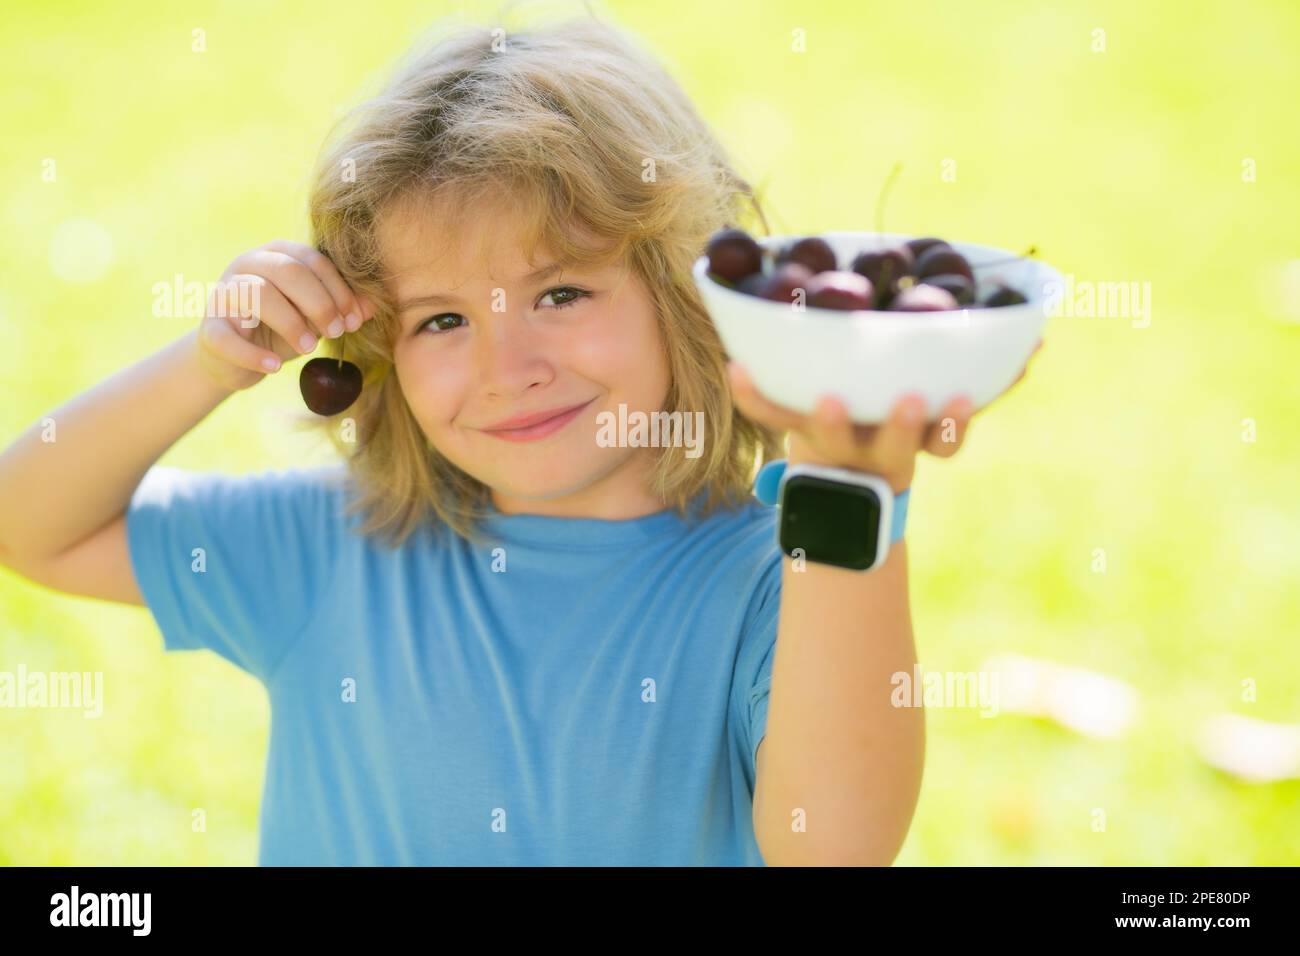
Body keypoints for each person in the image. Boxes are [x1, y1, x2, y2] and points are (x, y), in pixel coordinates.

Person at [0, 15, 1014, 865]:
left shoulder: (773, 579)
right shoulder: (337, 544)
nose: (506, 363)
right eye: (441, 318)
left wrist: (849, 494)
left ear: (679, 290)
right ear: (377, 342)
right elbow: (29, 520)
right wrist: (210, 361)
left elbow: (832, 846)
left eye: (561, 291)